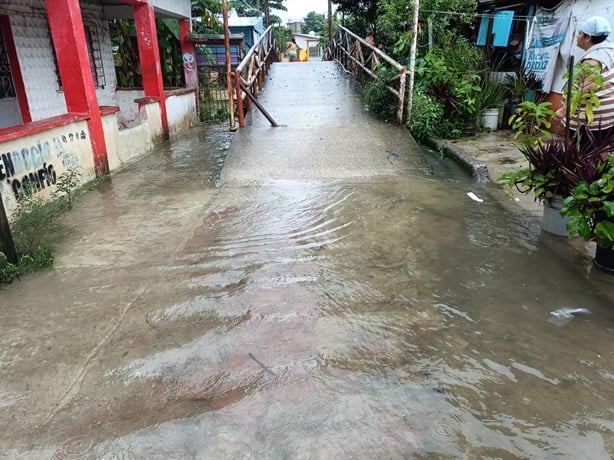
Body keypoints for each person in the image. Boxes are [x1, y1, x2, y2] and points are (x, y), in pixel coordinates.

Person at [555, 16, 614, 146]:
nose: (577, 36)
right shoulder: (608, 51)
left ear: (588, 38)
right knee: (599, 150)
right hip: (605, 115)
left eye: (580, 33)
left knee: (586, 153)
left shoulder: (593, 59)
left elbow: (587, 87)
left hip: (592, 118)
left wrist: (564, 111)